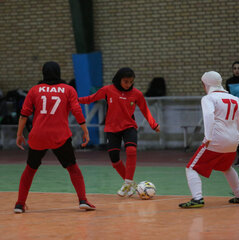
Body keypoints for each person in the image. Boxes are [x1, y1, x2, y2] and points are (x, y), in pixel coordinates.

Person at [14, 61, 96, 213]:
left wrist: (19, 135)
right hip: (60, 136)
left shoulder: (34, 90)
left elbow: (24, 115)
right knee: (72, 168)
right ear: (59, 73)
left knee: (30, 169)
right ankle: (83, 200)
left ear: (43, 73)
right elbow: (77, 110)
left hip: (38, 136)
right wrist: (85, 130)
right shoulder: (68, 89)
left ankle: (19, 204)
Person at [179, 71, 239, 208]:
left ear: (206, 84)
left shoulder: (208, 98)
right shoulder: (234, 98)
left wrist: (208, 137)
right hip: (233, 142)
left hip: (216, 140)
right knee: (226, 167)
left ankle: (197, 198)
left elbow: (208, 115)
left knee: (191, 168)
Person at [78, 67, 160, 197]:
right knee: (114, 159)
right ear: (118, 79)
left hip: (129, 127)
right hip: (112, 128)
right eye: (126, 81)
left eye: (131, 82)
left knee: (131, 151)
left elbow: (145, 110)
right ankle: (131, 185)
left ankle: (127, 183)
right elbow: (90, 99)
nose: (129, 84)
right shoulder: (107, 90)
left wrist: (153, 124)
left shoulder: (136, 94)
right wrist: (74, 100)